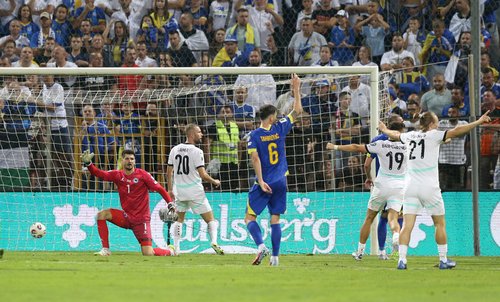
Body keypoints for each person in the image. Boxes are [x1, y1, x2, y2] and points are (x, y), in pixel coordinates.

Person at [378, 110, 492, 269]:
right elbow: (458, 131)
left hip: (410, 187)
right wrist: (478, 122)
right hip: (429, 188)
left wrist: (383, 129)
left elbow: (395, 135)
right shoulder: (434, 135)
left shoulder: (410, 135)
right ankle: (443, 259)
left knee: (407, 225)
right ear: (431, 124)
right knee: (439, 224)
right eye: (436, 122)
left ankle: (402, 260)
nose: (438, 125)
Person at [327, 117, 406, 261]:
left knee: (369, 218)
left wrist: (336, 147)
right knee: (393, 218)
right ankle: (395, 235)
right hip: (399, 187)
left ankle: (360, 252)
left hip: (381, 186)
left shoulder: (381, 144)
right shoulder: (409, 145)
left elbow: (356, 147)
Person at [245, 73, 303, 266]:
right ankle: (276, 258)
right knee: (275, 218)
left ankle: (261, 246)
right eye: (275, 116)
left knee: (249, 217)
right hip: (281, 180)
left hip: (265, 181)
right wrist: (296, 88)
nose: (277, 118)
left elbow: (255, 158)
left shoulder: (253, 135)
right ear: (271, 118)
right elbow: (298, 111)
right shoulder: (280, 128)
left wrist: (261, 181)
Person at [80, 149, 176, 257]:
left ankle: (170, 251)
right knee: (101, 215)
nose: (129, 161)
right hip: (126, 217)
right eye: (127, 158)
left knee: (148, 253)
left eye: (132, 159)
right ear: (122, 161)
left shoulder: (143, 175)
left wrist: (170, 203)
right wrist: (88, 164)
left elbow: (160, 189)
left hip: (141, 220)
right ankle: (106, 250)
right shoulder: (117, 175)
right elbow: (99, 174)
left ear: (135, 161)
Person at [166, 124, 224, 255]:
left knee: (179, 220)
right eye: (199, 132)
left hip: (179, 190)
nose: (201, 134)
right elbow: (203, 174)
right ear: (191, 134)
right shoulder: (197, 152)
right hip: (195, 191)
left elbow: (169, 172)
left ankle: (176, 248)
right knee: (210, 220)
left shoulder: (174, 149)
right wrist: (214, 181)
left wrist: (170, 189)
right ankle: (214, 241)